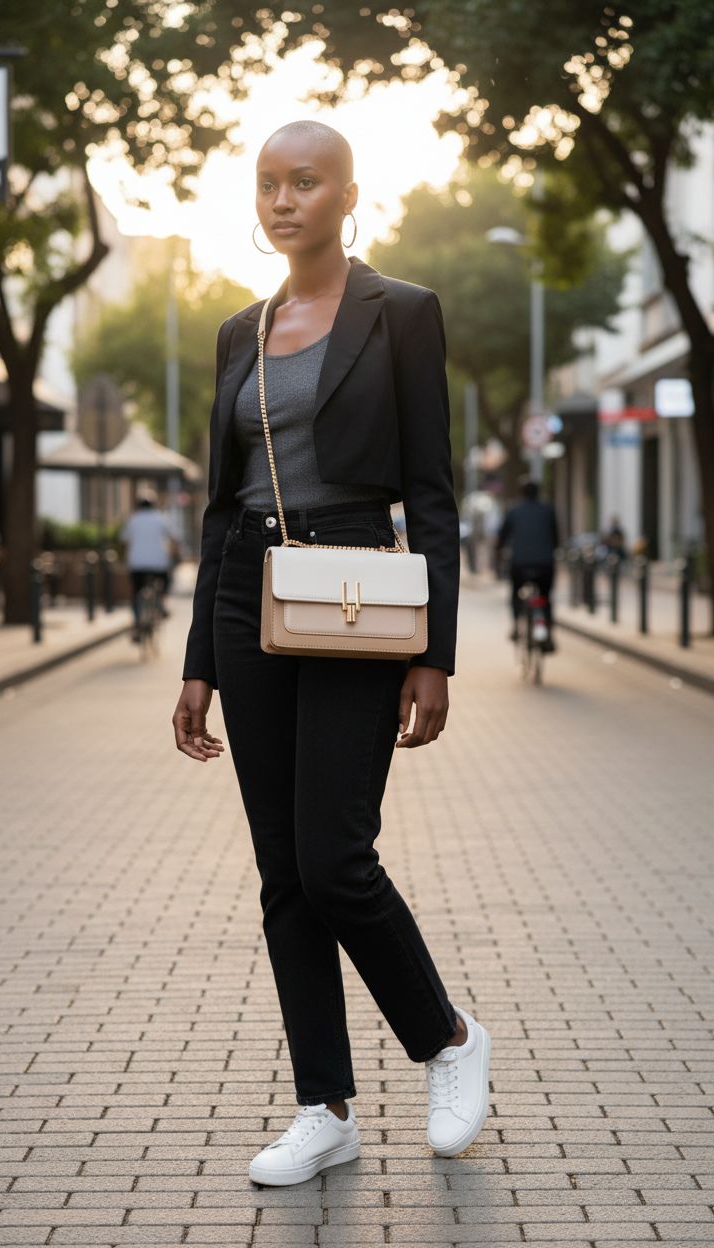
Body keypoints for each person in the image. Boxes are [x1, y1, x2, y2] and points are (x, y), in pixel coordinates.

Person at [173, 120, 491, 1186]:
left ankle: (446, 1037)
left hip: (357, 588)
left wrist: (433, 653)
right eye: (267, 184)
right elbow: (220, 508)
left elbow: (432, 494)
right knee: (282, 878)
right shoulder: (239, 330)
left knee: (334, 858)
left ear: (349, 195)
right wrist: (196, 665)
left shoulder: (400, 314)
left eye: (303, 183)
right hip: (244, 597)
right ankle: (325, 1107)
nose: (282, 201)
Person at [497, 477, 560, 649]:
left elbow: (502, 537)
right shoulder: (548, 511)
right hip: (545, 564)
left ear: (521, 493)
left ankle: (517, 626)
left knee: (515, 594)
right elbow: (556, 539)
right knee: (545, 597)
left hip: (520, 564)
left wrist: (499, 553)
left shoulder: (514, 511)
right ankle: (548, 635)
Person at [120, 489, 179, 639]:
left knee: (136, 592)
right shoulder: (161, 518)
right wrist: (176, 555)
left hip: (137, 563)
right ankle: (161, 604)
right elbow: (174, 539)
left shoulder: (132, 519)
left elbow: (124, 541)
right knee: (166, 580)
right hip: (158, 562)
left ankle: (137, 622)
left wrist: (125, 558)